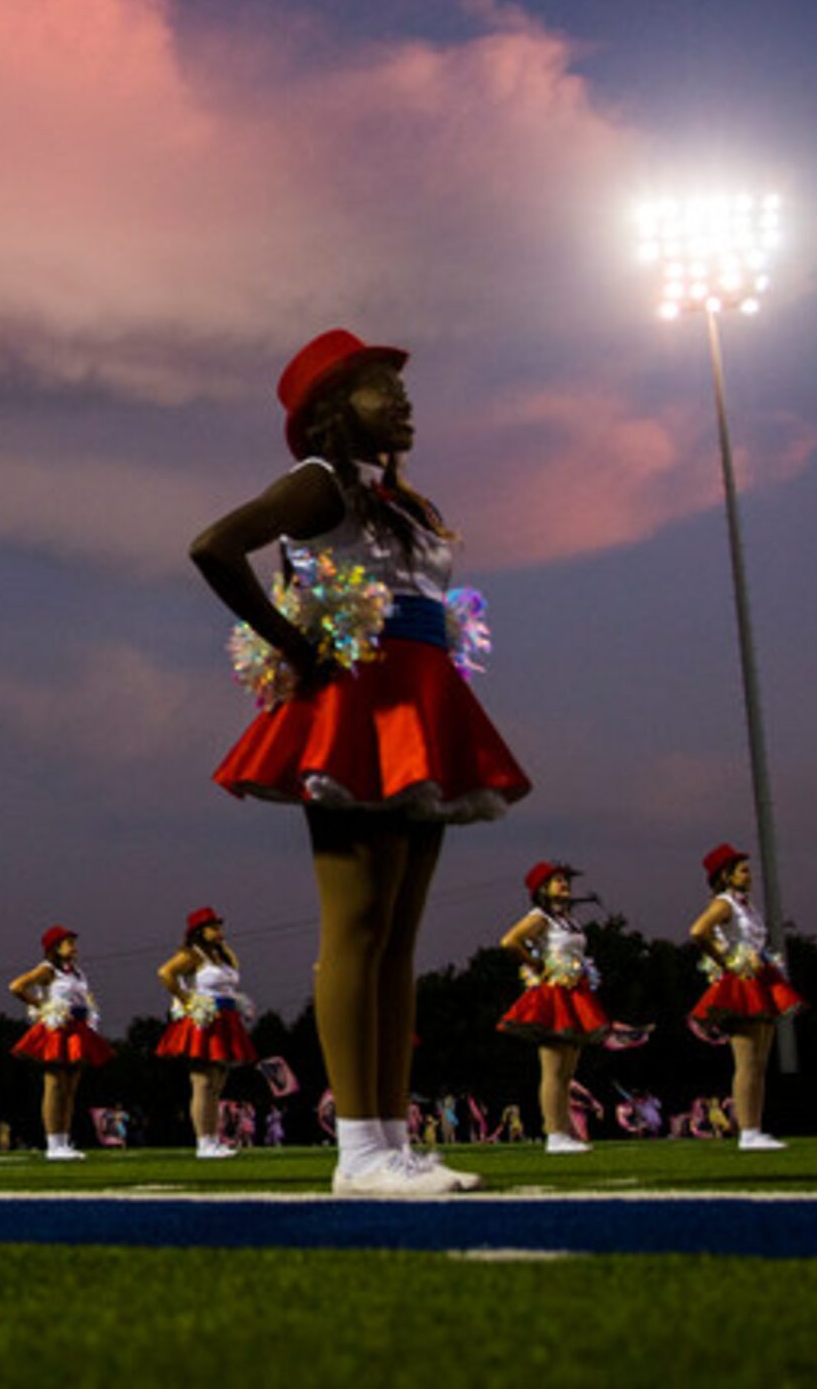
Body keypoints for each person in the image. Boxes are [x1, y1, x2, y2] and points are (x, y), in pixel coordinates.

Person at [189, 329, 529, 1196]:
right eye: (381, 386)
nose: (403, 399)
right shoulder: (321, 482)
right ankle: (357, 1151)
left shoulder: (401, 496)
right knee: (357, 926)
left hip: (423, 702)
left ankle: (391, 1137)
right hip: (356, 707)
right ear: (334, 410)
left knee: (399, 938)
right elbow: (216, 546)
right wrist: (296, 645)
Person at [686, 844, 798, 1151]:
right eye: (743, 870)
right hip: (741, 983)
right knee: (747, 1061)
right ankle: (748, 1131)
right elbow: (698, 931)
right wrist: (725, 962)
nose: (750, 875)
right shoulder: (724, 904)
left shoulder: (745, 905)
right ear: (726, 875)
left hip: (758, 978)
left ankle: (754, 1127)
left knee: (759, 1061)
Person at [496, 862, 609, 1154]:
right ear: (542, 888)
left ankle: (564, 1132)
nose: (565, 884)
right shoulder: (540, 917)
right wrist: (536, 965)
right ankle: (554, 1134)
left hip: (575, 992)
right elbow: (510, 941)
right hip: (553, 995)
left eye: (566, 880)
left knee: (567, 1071)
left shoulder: (568, 920)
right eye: (557, 880)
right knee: (553, 1068)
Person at [153, 908, 256, 1160]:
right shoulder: (191, 955)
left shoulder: (220, 955)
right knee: (202, 1082)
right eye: (213, 927)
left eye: (219, 927)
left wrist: (223, 944)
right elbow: (165, 973)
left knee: (218, 1083)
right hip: (205, 1021)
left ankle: (213, 1139)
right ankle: (204, 1142)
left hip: (226, 1020)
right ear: (199, 931)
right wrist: (185, 999)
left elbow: (235, 972)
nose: (219, 931)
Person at [7, 925, 107, 1161]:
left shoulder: (77, 972)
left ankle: (64, 1140)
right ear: (55, 947)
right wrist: (44, 1007)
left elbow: (85, 999)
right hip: (58, 1029)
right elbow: (17, 986)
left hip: (78, 1029)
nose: (74, 947)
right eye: (68, 943)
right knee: (55, 1085)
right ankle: (53, 1142)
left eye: (74, 942)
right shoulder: (48, 969)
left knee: (70, 1089)